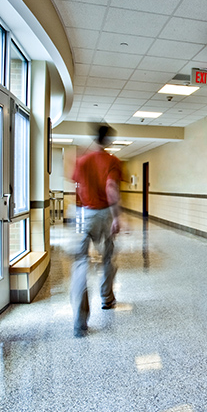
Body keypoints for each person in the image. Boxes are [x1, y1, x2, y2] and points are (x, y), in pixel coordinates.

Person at [70, 124, 122, 338]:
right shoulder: (112, 161)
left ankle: (80, 320)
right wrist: (116, 216)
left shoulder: (82, 161)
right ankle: (107, 298)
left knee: (81, 262)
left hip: (84, 213)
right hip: (104, 214)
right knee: (107, 258)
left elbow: (78, 187)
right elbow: (111, 188)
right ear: (108, 140)